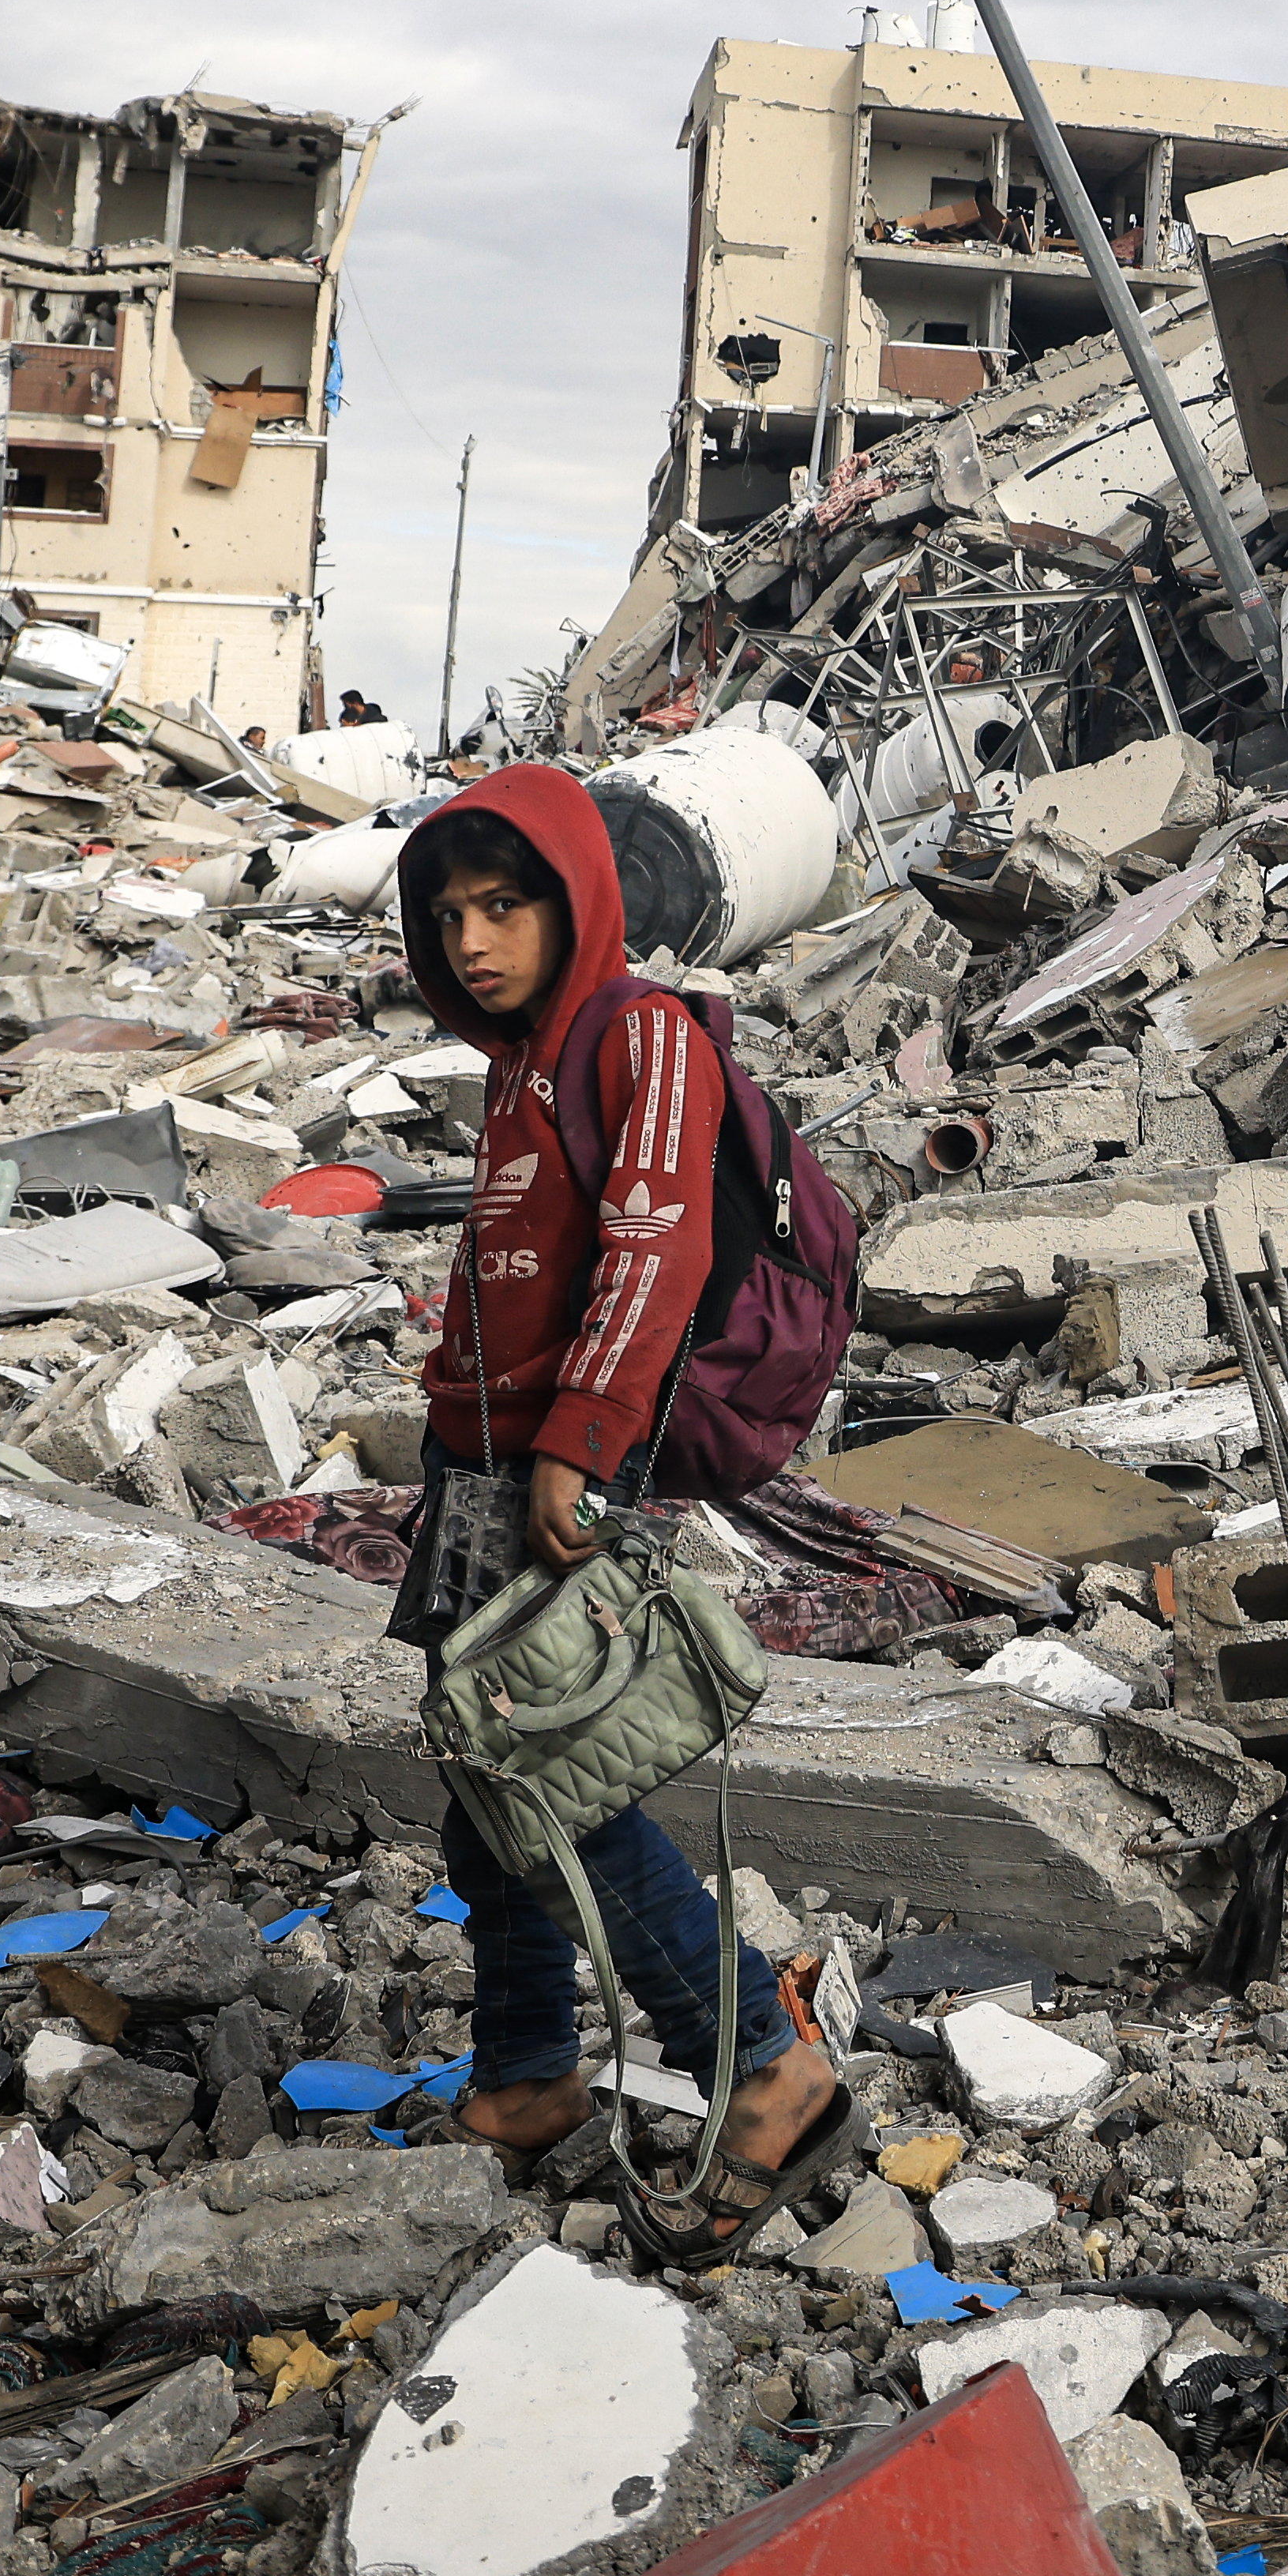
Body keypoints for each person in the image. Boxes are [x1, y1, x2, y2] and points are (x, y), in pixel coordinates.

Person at [385, 767, 856, 2209]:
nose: (474, 940)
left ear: (577, 901)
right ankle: (528, 2074)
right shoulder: (530, 1061)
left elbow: (652, 1254)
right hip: (490, 1469)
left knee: (548, 1774)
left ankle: (763, 2060)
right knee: (488, 1775)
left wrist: (580, 1446)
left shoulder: (643, 1037)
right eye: (450, 913)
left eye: (507, 905)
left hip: (569, 1468)